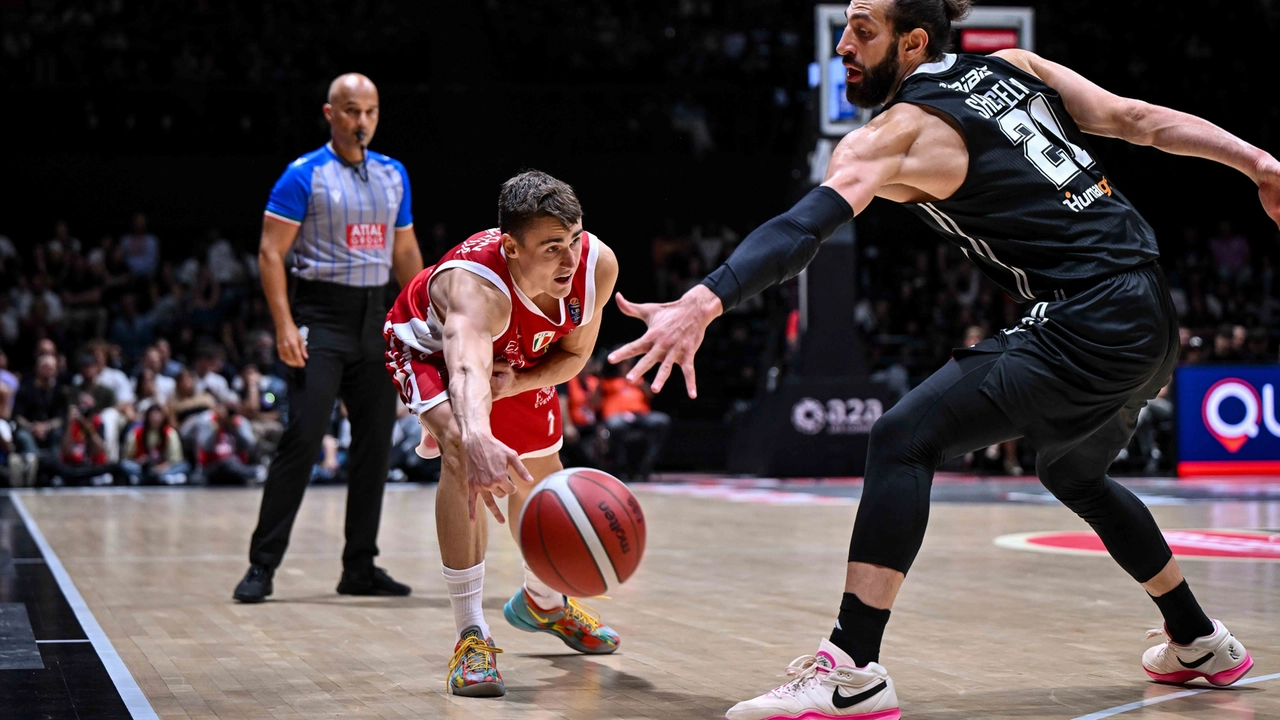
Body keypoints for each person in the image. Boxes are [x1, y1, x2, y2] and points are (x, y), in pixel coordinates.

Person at [608, 1, 1280, 717]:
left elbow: (802, 228)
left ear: (914, 41)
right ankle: (1198, 639)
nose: (843, 45)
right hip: (1149, 307)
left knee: (903, 437)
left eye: (863, 30)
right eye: (845, 27)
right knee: (1073, 471)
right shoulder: (1012, 68)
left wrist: (705, 299)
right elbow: (1139, 120)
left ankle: (853, 670)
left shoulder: (895, 134)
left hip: (1090, 316)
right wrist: (1261, 163)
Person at [383, 170, 619, 697]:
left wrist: (517, 384)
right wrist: (473, 434)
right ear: (510, 246)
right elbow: (464, 371)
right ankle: (471, 634)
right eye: (553, 247)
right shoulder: (475, 287)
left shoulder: (596, 266)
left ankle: (543, 600)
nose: (570, 259)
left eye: (575, 239)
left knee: (543, 482)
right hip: (430, 352)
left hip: (515, 358)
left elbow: (575, 356)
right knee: (466, 460)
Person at [235, 72, 425, 603]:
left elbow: (405, 253)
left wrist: (425, 315)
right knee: (302, 438)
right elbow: (271, 252)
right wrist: (284, 325)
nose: (360, 121)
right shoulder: (304, 175)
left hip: (375, 320)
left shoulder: (394, 175)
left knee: (375, 449)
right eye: (350, 111)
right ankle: (262, 565)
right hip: (322, 317)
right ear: (329, 114)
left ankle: (359, 567)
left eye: (369, 111)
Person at [121, 405, 189, 485]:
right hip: (143, 469)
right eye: (153, 417)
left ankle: (154, 478)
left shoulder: (170, 433)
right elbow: (127, 457)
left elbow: (175, 459)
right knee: (125, 465)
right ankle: (168, 479)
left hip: (164, 468)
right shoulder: (136, 433)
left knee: (185, 466)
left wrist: (162, 467)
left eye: (158, 417)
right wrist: (140, 461)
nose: (156, 420)